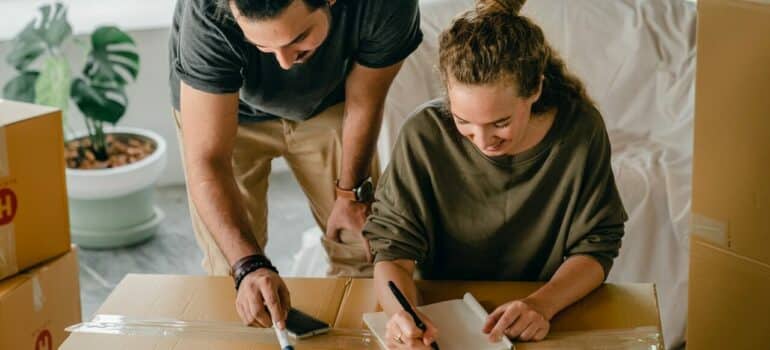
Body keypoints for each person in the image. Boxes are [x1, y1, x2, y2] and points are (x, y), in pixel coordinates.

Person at [363, 0, 627, 348]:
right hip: (440, 317)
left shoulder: (579, 130)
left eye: (500, 123)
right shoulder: (423, 134)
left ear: (534, 90)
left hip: (539, 312)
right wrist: (403, 312)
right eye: (463, 122)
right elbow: (392, 250)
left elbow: (597, 246)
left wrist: (541, 304)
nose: (483, 141)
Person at [168, 0, 422, 329]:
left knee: (359, 248)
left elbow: (365, 102)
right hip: (224, 110)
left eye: (298, 38)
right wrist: (248, 266)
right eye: (260, 45)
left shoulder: (385, 6)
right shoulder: (208, 12)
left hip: (330, 102)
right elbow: (208, 159)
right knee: (232, 270)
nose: (285, 63)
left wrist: (350, 194)